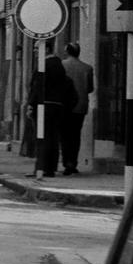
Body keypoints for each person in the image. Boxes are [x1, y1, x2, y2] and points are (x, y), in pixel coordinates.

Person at [27, 51, 77, 179]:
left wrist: (31, 104)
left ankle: (41, 168)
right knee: (53, 138)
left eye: (37, 48)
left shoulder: (43, 66)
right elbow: (69, 91)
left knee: (41, 138)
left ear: (46, 48)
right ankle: (50, 168)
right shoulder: (60, 68)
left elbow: (37, 87)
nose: (35, 51)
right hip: (58, 107)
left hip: (43, 105)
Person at [59, 41, 95, 176]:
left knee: (64, 135)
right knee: (75, 135)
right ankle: (73, 162)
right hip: (80, 106)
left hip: (64, 105)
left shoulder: (62, 65)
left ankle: (66, 161)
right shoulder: (87, 68)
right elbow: (90, 88)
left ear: (67, 52)